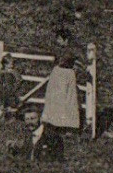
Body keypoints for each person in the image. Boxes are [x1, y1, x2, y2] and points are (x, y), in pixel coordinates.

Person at [31, 28, 82, 162]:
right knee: (54, 99)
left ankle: (65, 123)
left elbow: (74, 61)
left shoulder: (71, 50)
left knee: (66, 100)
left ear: (65, 39)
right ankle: (53, 120)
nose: (57, 41)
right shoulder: (60, 50)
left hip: (65, 75)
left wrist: (75, 67)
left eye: (59, 38)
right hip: (58, 75)